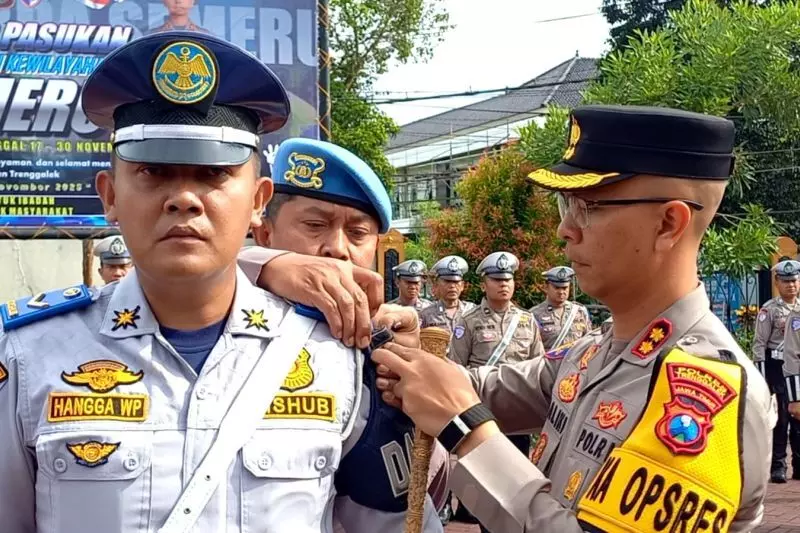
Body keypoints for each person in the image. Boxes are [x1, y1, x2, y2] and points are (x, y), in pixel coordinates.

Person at [0, 31, 441, 533]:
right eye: (152, 171)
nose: (184, 198)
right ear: (109, 196)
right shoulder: (27, 356)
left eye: (213, 174)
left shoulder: (335, 355)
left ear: (258, 200)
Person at [371, 105, 774, 532]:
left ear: (668, 224)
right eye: (566, 204)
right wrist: (415, 357)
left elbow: (461, 408)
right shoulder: (594, 352)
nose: (566, 229)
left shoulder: (704, 395)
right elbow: (480, 388)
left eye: (589, 207)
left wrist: (466, 432)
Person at [241, 136, 447, 526]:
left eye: (357, 233)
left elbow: (406, 503)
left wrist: (408, 396)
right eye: (315, 225)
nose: (336, 248)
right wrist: (263, 265)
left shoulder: (378, 344)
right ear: (266, 234)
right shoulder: (220, 320)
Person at [755, 259, 800, 482]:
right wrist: (762, 380)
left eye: (793, 281)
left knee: (799, 418)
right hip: (777, 367)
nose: (790, 285)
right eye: (786, 281)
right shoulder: (769, 309)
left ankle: (799, 464)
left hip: (798, 368)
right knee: (781, 418)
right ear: (777, 282)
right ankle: (778, 465)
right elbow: (759, 344)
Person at [530, 266, 592, 349]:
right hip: (548, 361)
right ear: (546, 287)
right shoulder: (534, 314)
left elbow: (588, 340)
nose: (561, 292)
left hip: (574, 360)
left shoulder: (579, 311)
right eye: (557, 288)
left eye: (564, 288)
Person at [419, 255, 476, 335]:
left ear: (462, 285)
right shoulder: (426, 315)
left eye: (456, 282)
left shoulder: (472, 311)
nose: (452, 286)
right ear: (437, 285)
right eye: (447, 281)